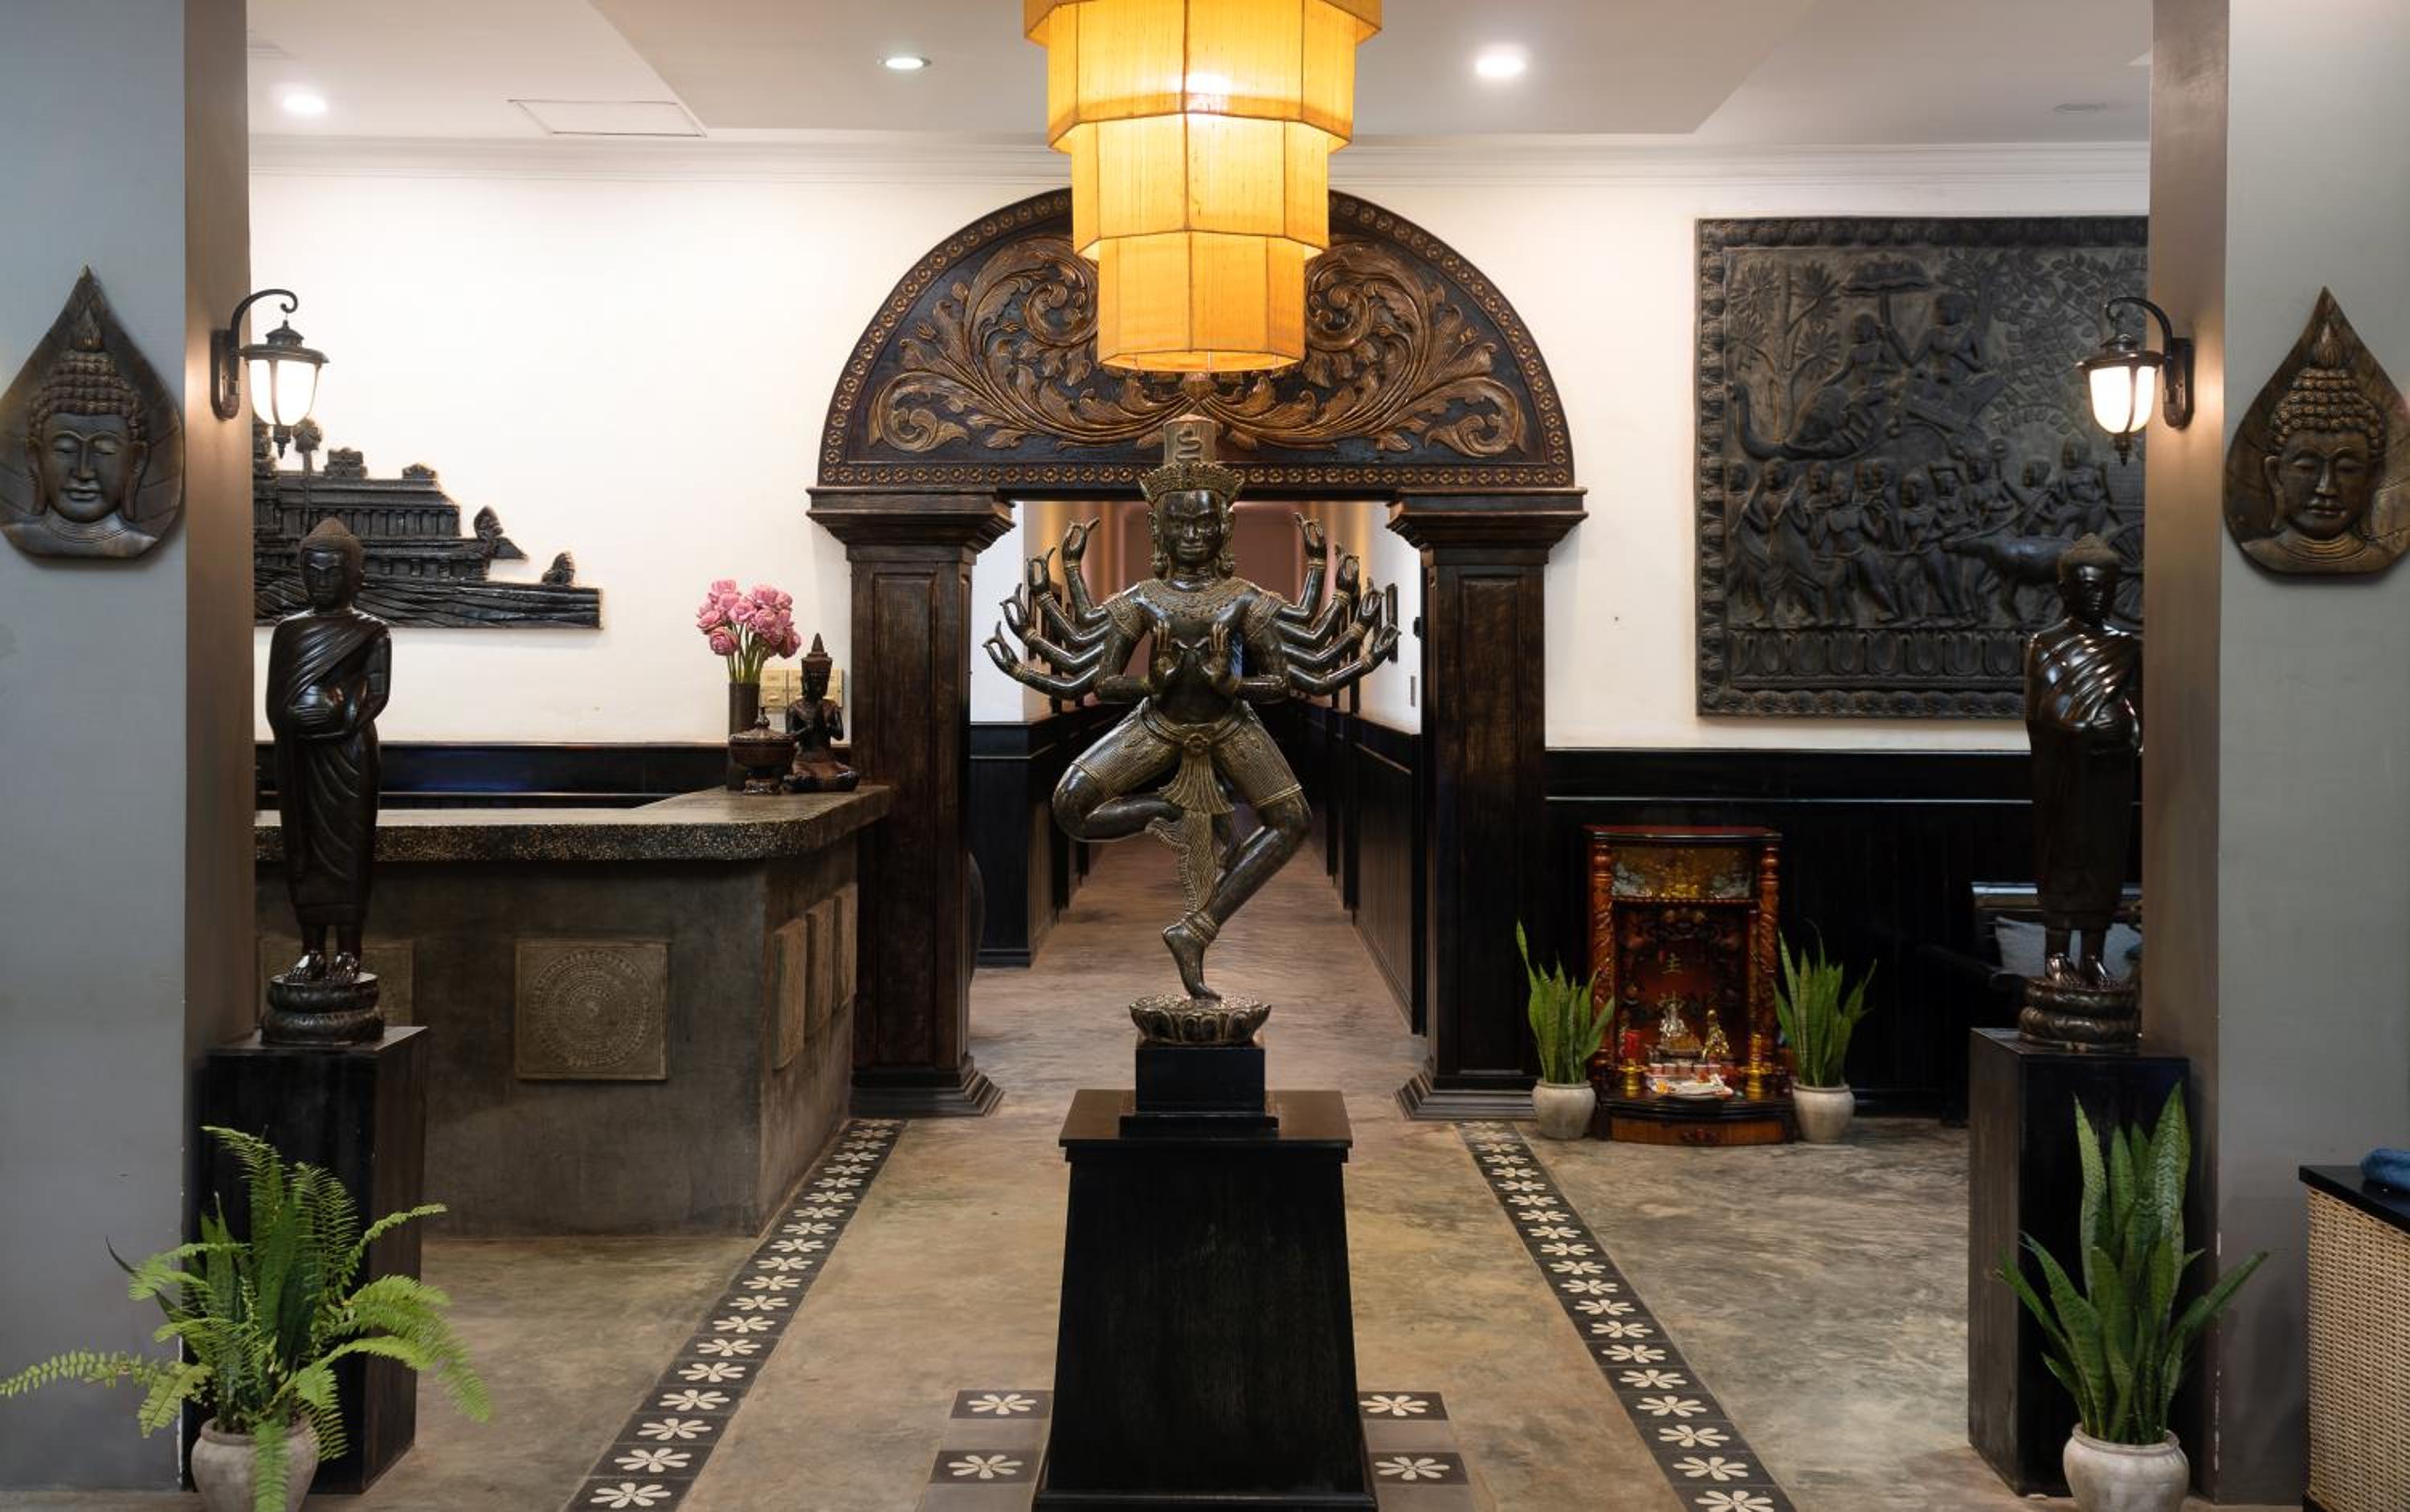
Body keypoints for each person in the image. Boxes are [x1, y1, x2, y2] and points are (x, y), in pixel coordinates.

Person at [986, 417, 1395, 1001]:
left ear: (1224, 528)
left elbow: (1282, 681)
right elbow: (1100, 681)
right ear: (1160, 529)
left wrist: (1233, 685)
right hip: (1156, 724)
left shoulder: (1246, 600)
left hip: (1231, 726)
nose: (1195, 535)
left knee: (1292, 821)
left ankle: (1198, 927)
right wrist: (1150, 683)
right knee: (1071, 806)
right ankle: (1168, 808)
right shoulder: (1140, 601)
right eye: (1181, 523)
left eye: (1206, 523)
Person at [264, 517, 392, 985]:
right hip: (300, 754)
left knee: (350, 849)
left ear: (355, 576)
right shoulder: (289, 631)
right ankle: (312, 948)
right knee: (304, 848)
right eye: (313, 572)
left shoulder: (372, 631)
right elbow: (276, 699)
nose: (322, 582)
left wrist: (337, 712)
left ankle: (350, 950)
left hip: (349, 754)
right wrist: (294, 719)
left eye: (333, 573)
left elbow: (377, 692)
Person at [2023, 535, 2139, 987]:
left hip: (2110, 774)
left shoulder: (2125, 647)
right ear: (2065, 591)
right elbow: (2044, 712)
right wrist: (2085, 727)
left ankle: (2092, 953)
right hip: (2065, 774)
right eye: (2088, 589)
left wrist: (2128, 731)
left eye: (2106, 590)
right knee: (2064, 855)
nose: (2098, 599)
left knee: (2105, 858)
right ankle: (2057, 954)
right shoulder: (2046, 644)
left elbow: (2137, 707)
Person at [2240, 321, 2395, 573]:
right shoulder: (2260, 552)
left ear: (2372, 478)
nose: (2327, 488)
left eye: (2347, 468)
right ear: (2274, 474)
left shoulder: (2378, 560)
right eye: (2307, 467)